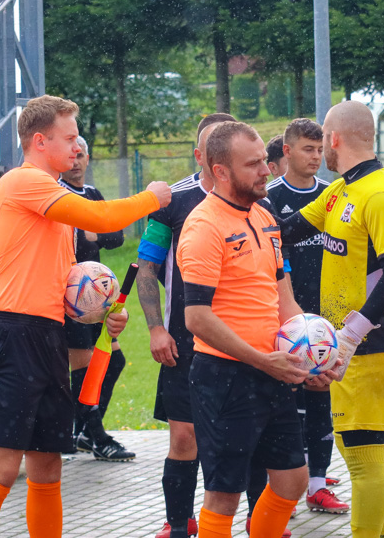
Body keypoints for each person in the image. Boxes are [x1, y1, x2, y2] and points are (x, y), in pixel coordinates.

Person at [0, 95, 171, 538]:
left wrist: (101, 315)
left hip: (48, 333)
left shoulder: (54, 199)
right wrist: (152, 198)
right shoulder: (23, 182)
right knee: (2, 467)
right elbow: (100, 215)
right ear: (40, 141)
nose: (79, 146)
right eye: (70, 137)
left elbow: (63, 286)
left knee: (47, 465)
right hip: (12, 334)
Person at [178, 121, 336, 538]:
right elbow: (196, 317)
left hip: (274, 371)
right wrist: (261, 360)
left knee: (291, 480)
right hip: (225, 378)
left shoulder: (266, 218)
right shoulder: (203, 227)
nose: (267, 170)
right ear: (222, 171)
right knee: (224, 495)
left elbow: (285, 300)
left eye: (265, 161)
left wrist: (314, 355)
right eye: (253, 165)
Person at [280, 100, 384, 538]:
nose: (321, 152)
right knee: (360, 452)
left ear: (334, 139)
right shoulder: (340, 190)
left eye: (323, 142)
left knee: (362, 456)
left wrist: (352, 335)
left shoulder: (382, 192)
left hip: (374, 341)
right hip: (346, 343)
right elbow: (288, 229)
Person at [137, 113, 236, 538]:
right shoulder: (171, 203)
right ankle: (178, 522)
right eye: (210, 146)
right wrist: (156, 328)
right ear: (199, 154)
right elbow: (146, 268)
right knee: (184, 438)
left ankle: (236, 519)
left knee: (235, 436)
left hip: (239, 340)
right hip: (183, 340)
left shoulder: (253, 199)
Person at [266, 118, 349, 514]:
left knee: (321, 398)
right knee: (285, 403)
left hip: (327, 315)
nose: (316, 157)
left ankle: (317, 483)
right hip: (283, 316)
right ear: (287, 151)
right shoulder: (268, 198)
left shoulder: (333, 196)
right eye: (307, 149)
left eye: (320, 150)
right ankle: (284, 484)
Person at [58, 136, 133, 462]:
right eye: (71, 154)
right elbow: (69, 237)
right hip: (72, 298)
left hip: (97, 298)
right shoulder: (58, 193)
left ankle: (83, 427)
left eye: (81, 155)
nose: (75, 161)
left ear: (88, 158)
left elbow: (115, 236)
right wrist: (90, 229)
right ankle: (95, 434)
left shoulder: (91, 195)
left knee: (114, 361)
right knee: (84, 367)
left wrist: (91, 231)